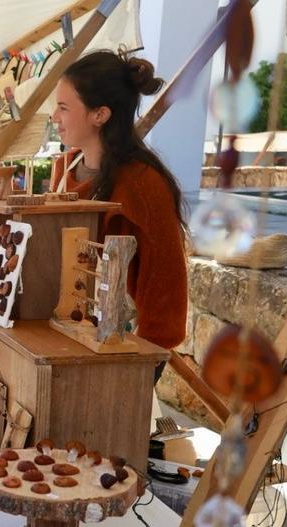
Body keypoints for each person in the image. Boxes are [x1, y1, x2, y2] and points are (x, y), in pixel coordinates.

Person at [50, 49, 188, 366]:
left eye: (64, 107)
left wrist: (145, 358)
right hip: (62, 339)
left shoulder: (143, 184)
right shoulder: (63, 170)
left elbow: (164, 280)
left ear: (100, 115)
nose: (55, 116)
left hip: (120, 352)